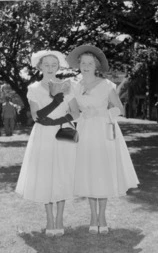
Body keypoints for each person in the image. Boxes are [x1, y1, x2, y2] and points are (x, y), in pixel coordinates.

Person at [66, 45, 139, 234]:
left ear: (96, 66)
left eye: (90, 63)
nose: (86, 66)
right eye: (83, 63)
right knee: (89, 172)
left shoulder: (106, 85)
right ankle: (92, 217)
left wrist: (100, 112)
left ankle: (103, 217)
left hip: (103, 131)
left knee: (102, 173)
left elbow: (119, 109)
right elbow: (73, 113)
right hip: (84, 132)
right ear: (79, 66)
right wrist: (77, 116)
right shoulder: (74, 86)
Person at [15, 50, 80, 237]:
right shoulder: (34, 88)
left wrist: (61, 119)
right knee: (46, 176)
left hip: (63, 133)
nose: (50, 68)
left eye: (54, 65)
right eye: (47, 65)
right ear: (40, 67)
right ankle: (49, 220)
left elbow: (75, 112)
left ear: (58, 67)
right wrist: (55, 102)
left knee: (62, 175)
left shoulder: (67, 86)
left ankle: (59, 219)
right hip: (43, 134)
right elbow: (37, 116)